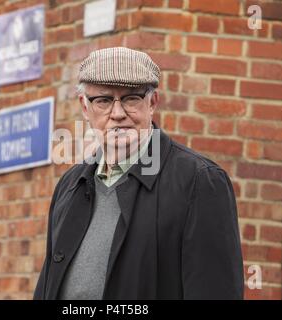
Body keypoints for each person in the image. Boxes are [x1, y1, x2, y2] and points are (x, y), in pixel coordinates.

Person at [34, 47, 244, 300]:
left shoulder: (199, 181)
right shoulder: (70, 184)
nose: (118, 113)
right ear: (84, 107)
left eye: (131, 98)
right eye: (103, 100)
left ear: (152, 102)